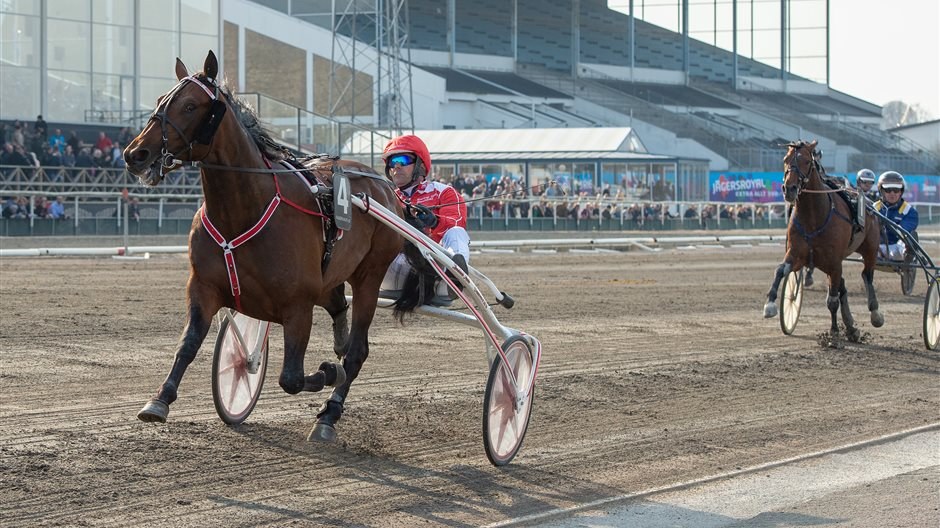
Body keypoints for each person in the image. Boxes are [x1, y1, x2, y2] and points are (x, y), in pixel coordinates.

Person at [379, 134, 469, 301]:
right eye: (392, 162)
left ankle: (455, 279)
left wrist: (434, 222)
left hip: (437, 273)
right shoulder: (385, 197)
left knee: (457, 232)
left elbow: (457, 222)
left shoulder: (444, 192)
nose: (396, 166)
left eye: (403, 160)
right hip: (393, 274)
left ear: (420, 165)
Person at [873, 171, 918, 261]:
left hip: (897, 249)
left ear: (901, 191)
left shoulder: (909, 211)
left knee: (907, 238)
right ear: (881, 191)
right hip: (876, 247)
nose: (892, 193)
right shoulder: (873, 207)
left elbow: (903, 230)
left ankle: (908, 256)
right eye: (888, 190)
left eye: (896, 190)